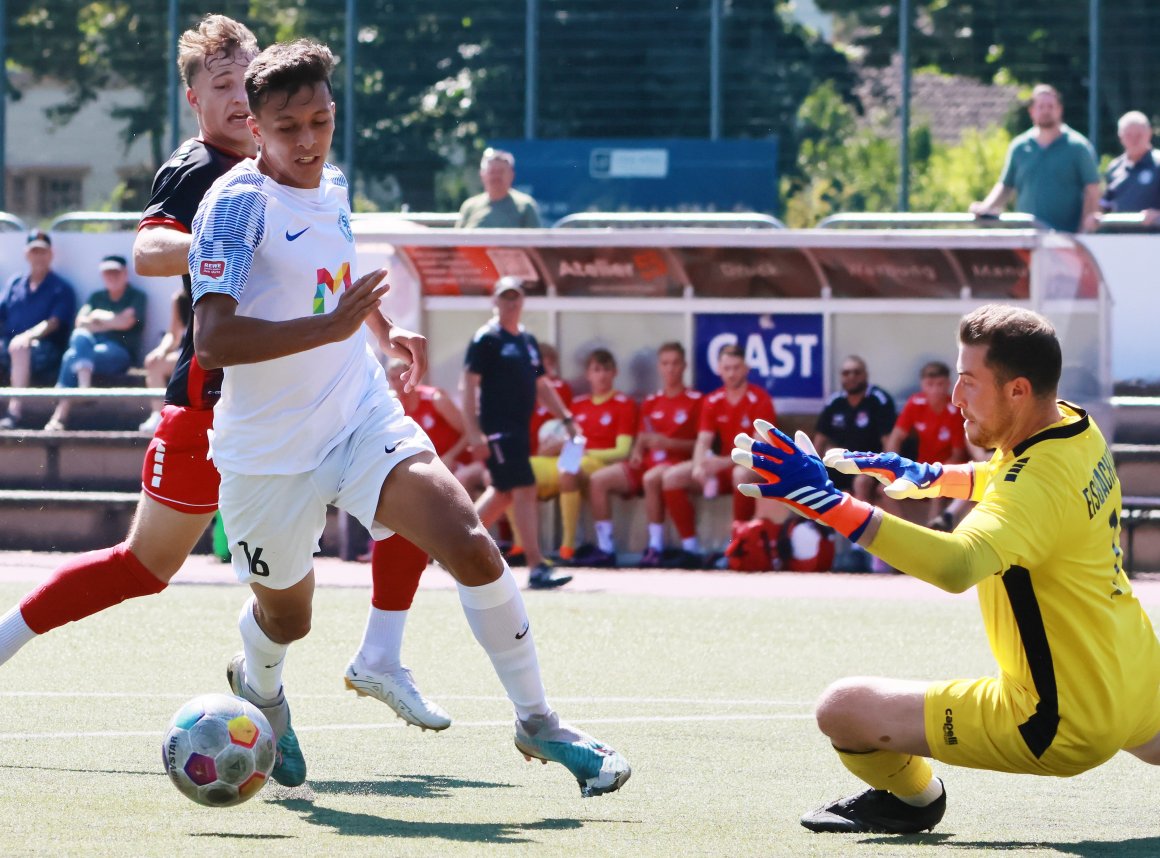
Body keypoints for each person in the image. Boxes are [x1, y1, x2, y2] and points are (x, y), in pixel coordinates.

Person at [0, 16, 433, 788]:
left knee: (411, 490)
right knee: (146, 565)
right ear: (195, 97)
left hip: (299, 410)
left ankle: (369, 659)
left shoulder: (293, 165)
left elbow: (324, 264)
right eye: (224, 86)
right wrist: (217, 229)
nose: (239, 99)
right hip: (210, 410)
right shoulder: (202, 171)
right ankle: (6, 640)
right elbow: (146, 248)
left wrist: (381, 324)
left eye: (248, 82)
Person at [192, 40, 628, 798]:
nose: (307, 141)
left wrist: (382, 335)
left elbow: (332, 281)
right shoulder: (235, 206)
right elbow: (213, 341)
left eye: (320, 121)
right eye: (288, 127)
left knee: (469, 543)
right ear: (256, 127)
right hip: (266, 449)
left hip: (357, 411)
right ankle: (262, 691)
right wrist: (329, 329)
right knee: (288, 619)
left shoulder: (332, 182)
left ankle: (540, 722)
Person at [732, 304, 1160, 835]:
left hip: (1060, 720)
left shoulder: (1034, 484)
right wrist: (935, 476)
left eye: (968, 382)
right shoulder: (1076, 426)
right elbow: (1013, 480)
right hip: (1138, 671)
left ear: (1018, 390)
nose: (956, 399)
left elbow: (958, 564)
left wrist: (827, 504)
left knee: (841, 710)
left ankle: (914, 800)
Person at [463, 276, 575, 589]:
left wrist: (565, 417)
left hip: (519, 428)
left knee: (503, 493)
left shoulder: (526, 340)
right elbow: (469, 387)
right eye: (505, 297)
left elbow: (541, 384)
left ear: (523, 301)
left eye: (516, 297)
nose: (511, 303)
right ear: (495, 301)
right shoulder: (487, 338)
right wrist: (474, 433)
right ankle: (537, 566)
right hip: (499, 429)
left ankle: (453, 546)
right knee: (524, 488)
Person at [659, 343, 778, 567]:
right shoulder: (712, 400)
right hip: (723, 466)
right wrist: (698, 466)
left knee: (741, 475)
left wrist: (718, 463)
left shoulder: (760, 399)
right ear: (719, 370)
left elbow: (757, 449)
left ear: (746, 369)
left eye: (736, 367)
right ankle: (690, 548)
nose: (731, 373)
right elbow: (703, 440)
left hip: (754, 467)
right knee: (671, 477)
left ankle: (737, 544)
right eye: (727, 368)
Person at [583, 342, 700, 567]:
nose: (671, 369)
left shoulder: (695, 400)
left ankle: (655, 546)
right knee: (599, 480)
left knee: (651, 478)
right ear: (659, 367)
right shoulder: (650, 401)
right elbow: (641, 439)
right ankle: (606, 549)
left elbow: (703, 445)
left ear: (684, 366)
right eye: (666, 363)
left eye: (675, 363)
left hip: (674, 463)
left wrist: (669, 443)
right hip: (645, 463)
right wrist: (637, 451)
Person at [541, 348, 638, 565]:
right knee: (538, 473)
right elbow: (569, 440)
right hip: (578, 459)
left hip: (604, 463)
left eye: (606, 369)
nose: (601, 375)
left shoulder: (624, 403)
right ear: (588, 374)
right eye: (596, 369)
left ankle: (598, 547)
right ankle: (556, 547)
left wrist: (587, 452)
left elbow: (622, 450)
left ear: (615, 373)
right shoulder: (579, 404)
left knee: (574, 473)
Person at [969, 84, 1101, 233]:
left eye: (1050, 106)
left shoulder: (1078, 147)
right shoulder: (1019, 147)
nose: (1046, 111)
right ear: (1032, 111)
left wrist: (1085, 230)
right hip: (1026, 237)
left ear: (1060, 110)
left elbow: (1092, 189)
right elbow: (1006, 186)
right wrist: (986, 207)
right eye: (1041, 106)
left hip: (1065, 238)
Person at [43, 255, 147, 431]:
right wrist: (113, 320)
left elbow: (127, 322)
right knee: (80, 337)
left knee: (72, 355)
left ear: (125, 274)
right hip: (92, 352)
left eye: (116, 272)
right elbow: (80, 323)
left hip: (119, 354)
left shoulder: (136, 296)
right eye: (107, 273)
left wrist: (98, 317)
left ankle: (60, 414)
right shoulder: (96, 297)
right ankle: (85, 388)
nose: (112, 276)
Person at [0, 230, 77, 429]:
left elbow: (54, 322)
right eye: (34, 252)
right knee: (15, 347)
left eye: (43, 252)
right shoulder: (15, 283)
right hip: (9, 345)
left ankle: (14, 412)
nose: (39, 256)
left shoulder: (60, 287)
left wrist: (28, 336)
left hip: (44, 349)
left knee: (19, 347)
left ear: (50, 254)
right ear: (27, 254)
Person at [885, 361, 967, 530]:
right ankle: (905, 531)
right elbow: (896, 437)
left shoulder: (956, 409)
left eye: (940, 384)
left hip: (947, 468)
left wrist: (935, 473)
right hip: (920, 467)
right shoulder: (915, 403)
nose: (935, 390)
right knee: (883, 489)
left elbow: (958, 454)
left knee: (937, 490)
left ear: (948, 384)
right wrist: (891, 465)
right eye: (930, 385)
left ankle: (932, 533)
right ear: (923, 385)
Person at [813, 355, 896, 500]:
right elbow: (819, 442)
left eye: (856, 372)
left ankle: (859, 522)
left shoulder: (879, 400)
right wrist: (810, 468)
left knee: (861, 482)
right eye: (846, 373)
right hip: (840, 463)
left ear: (865, 375)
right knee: (808, 480)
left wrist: (889, 474)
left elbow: (889, 441)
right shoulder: (835, 402)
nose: (851, 377)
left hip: (870, 465)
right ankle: (804, 522)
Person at [138, 289, 191, 433]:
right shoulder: (180, 298)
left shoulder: (214, 291)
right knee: (154, 363)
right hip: (186, 352)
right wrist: (161, 351)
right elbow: (173, 334)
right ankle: (158, 416)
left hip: (207, 353)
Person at [1098, 111, 1160, 226]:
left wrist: (1157, 215)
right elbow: (1105, 205)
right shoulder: (1114, 168)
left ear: (1149, 134)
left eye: (1139, 135)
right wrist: (1096, 218)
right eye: (1128, 135)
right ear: (1120, 136)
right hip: (1122, 239)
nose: (1134, 140)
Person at [456, 148, 541, 229]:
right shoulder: (469, 207)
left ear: (511, 175)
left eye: (501, 171)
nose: (496, 176)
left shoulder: (525, 206)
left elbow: (535, 242)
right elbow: (456, 241)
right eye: (492, 172)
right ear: (482, 174)